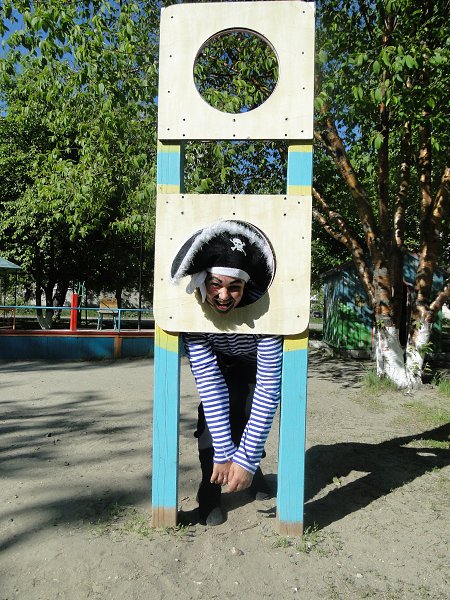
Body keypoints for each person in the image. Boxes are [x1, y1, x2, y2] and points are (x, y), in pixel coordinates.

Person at [171, 220, 283, 525]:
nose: (223, 295)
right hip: (218, 363)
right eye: (215, 284)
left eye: (234, 287)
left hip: (253, 366)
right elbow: (209, 383)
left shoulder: (269, 318)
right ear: (203, 281)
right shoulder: (195, 322)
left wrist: (245, 459)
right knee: (210, 421)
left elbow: (269, 387)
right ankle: (210, 489)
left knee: (247, 410)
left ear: (245, 286)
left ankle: (251, 470)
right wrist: (223, 451)